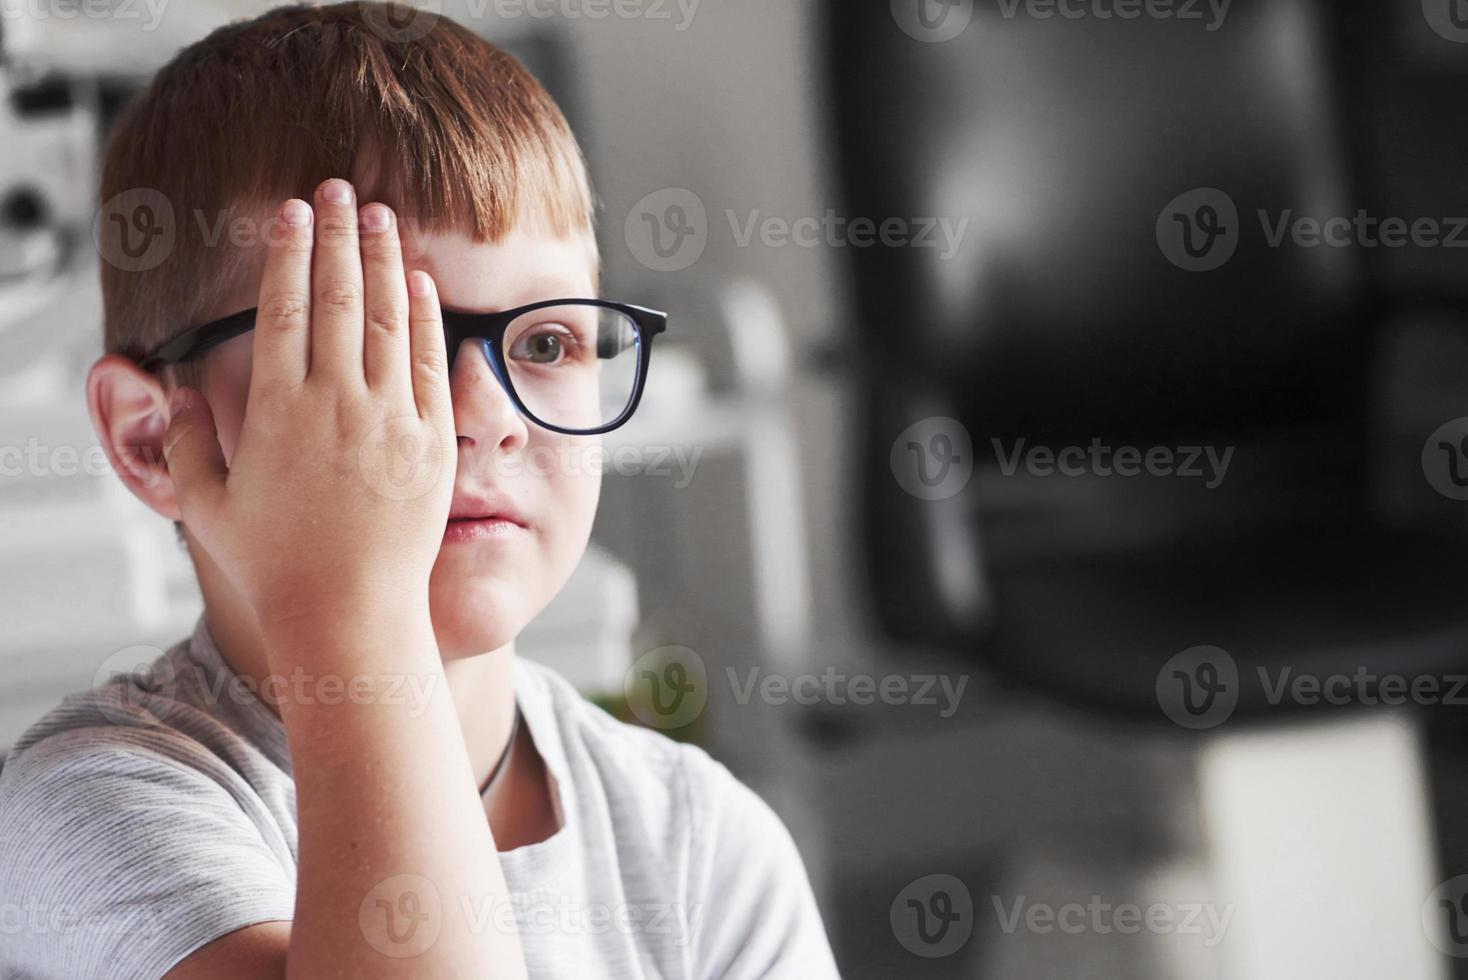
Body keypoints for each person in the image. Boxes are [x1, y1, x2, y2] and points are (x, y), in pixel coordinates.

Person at [0, 4, 839, 977]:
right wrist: (351, 601)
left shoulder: (702, 844)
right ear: (153, 437)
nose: (486, 410)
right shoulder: (91, 806)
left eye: (547, 342)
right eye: (375, 348)